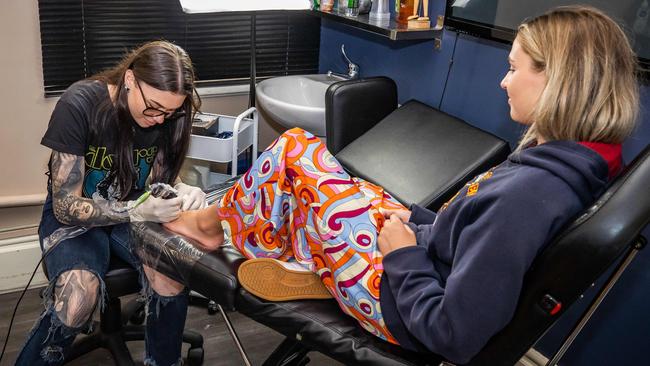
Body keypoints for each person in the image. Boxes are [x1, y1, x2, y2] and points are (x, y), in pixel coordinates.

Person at [163, 6, 639, 364]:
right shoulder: (578, 161)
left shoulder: (530, 198)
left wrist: (401, 252)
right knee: (344, 182)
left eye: (514, 68)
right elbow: (473, 234)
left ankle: (216, 225)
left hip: (399, 303)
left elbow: (453, 332)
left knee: (294, 149)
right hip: (420, 263)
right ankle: (311, 258)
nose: (502, 81)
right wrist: (420, 221)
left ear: (557, 81)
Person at [17, 41, 206, 366]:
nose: (160, 119)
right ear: (130, 80)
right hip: (76, 217)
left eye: (170, 112)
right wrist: (137, 210)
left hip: (131, 212)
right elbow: (65, 206)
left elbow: (161, 180)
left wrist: (185, 191)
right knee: (78, 296)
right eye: (153, 107)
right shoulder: (80, 103)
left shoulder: (168, 116)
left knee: (171, 272)